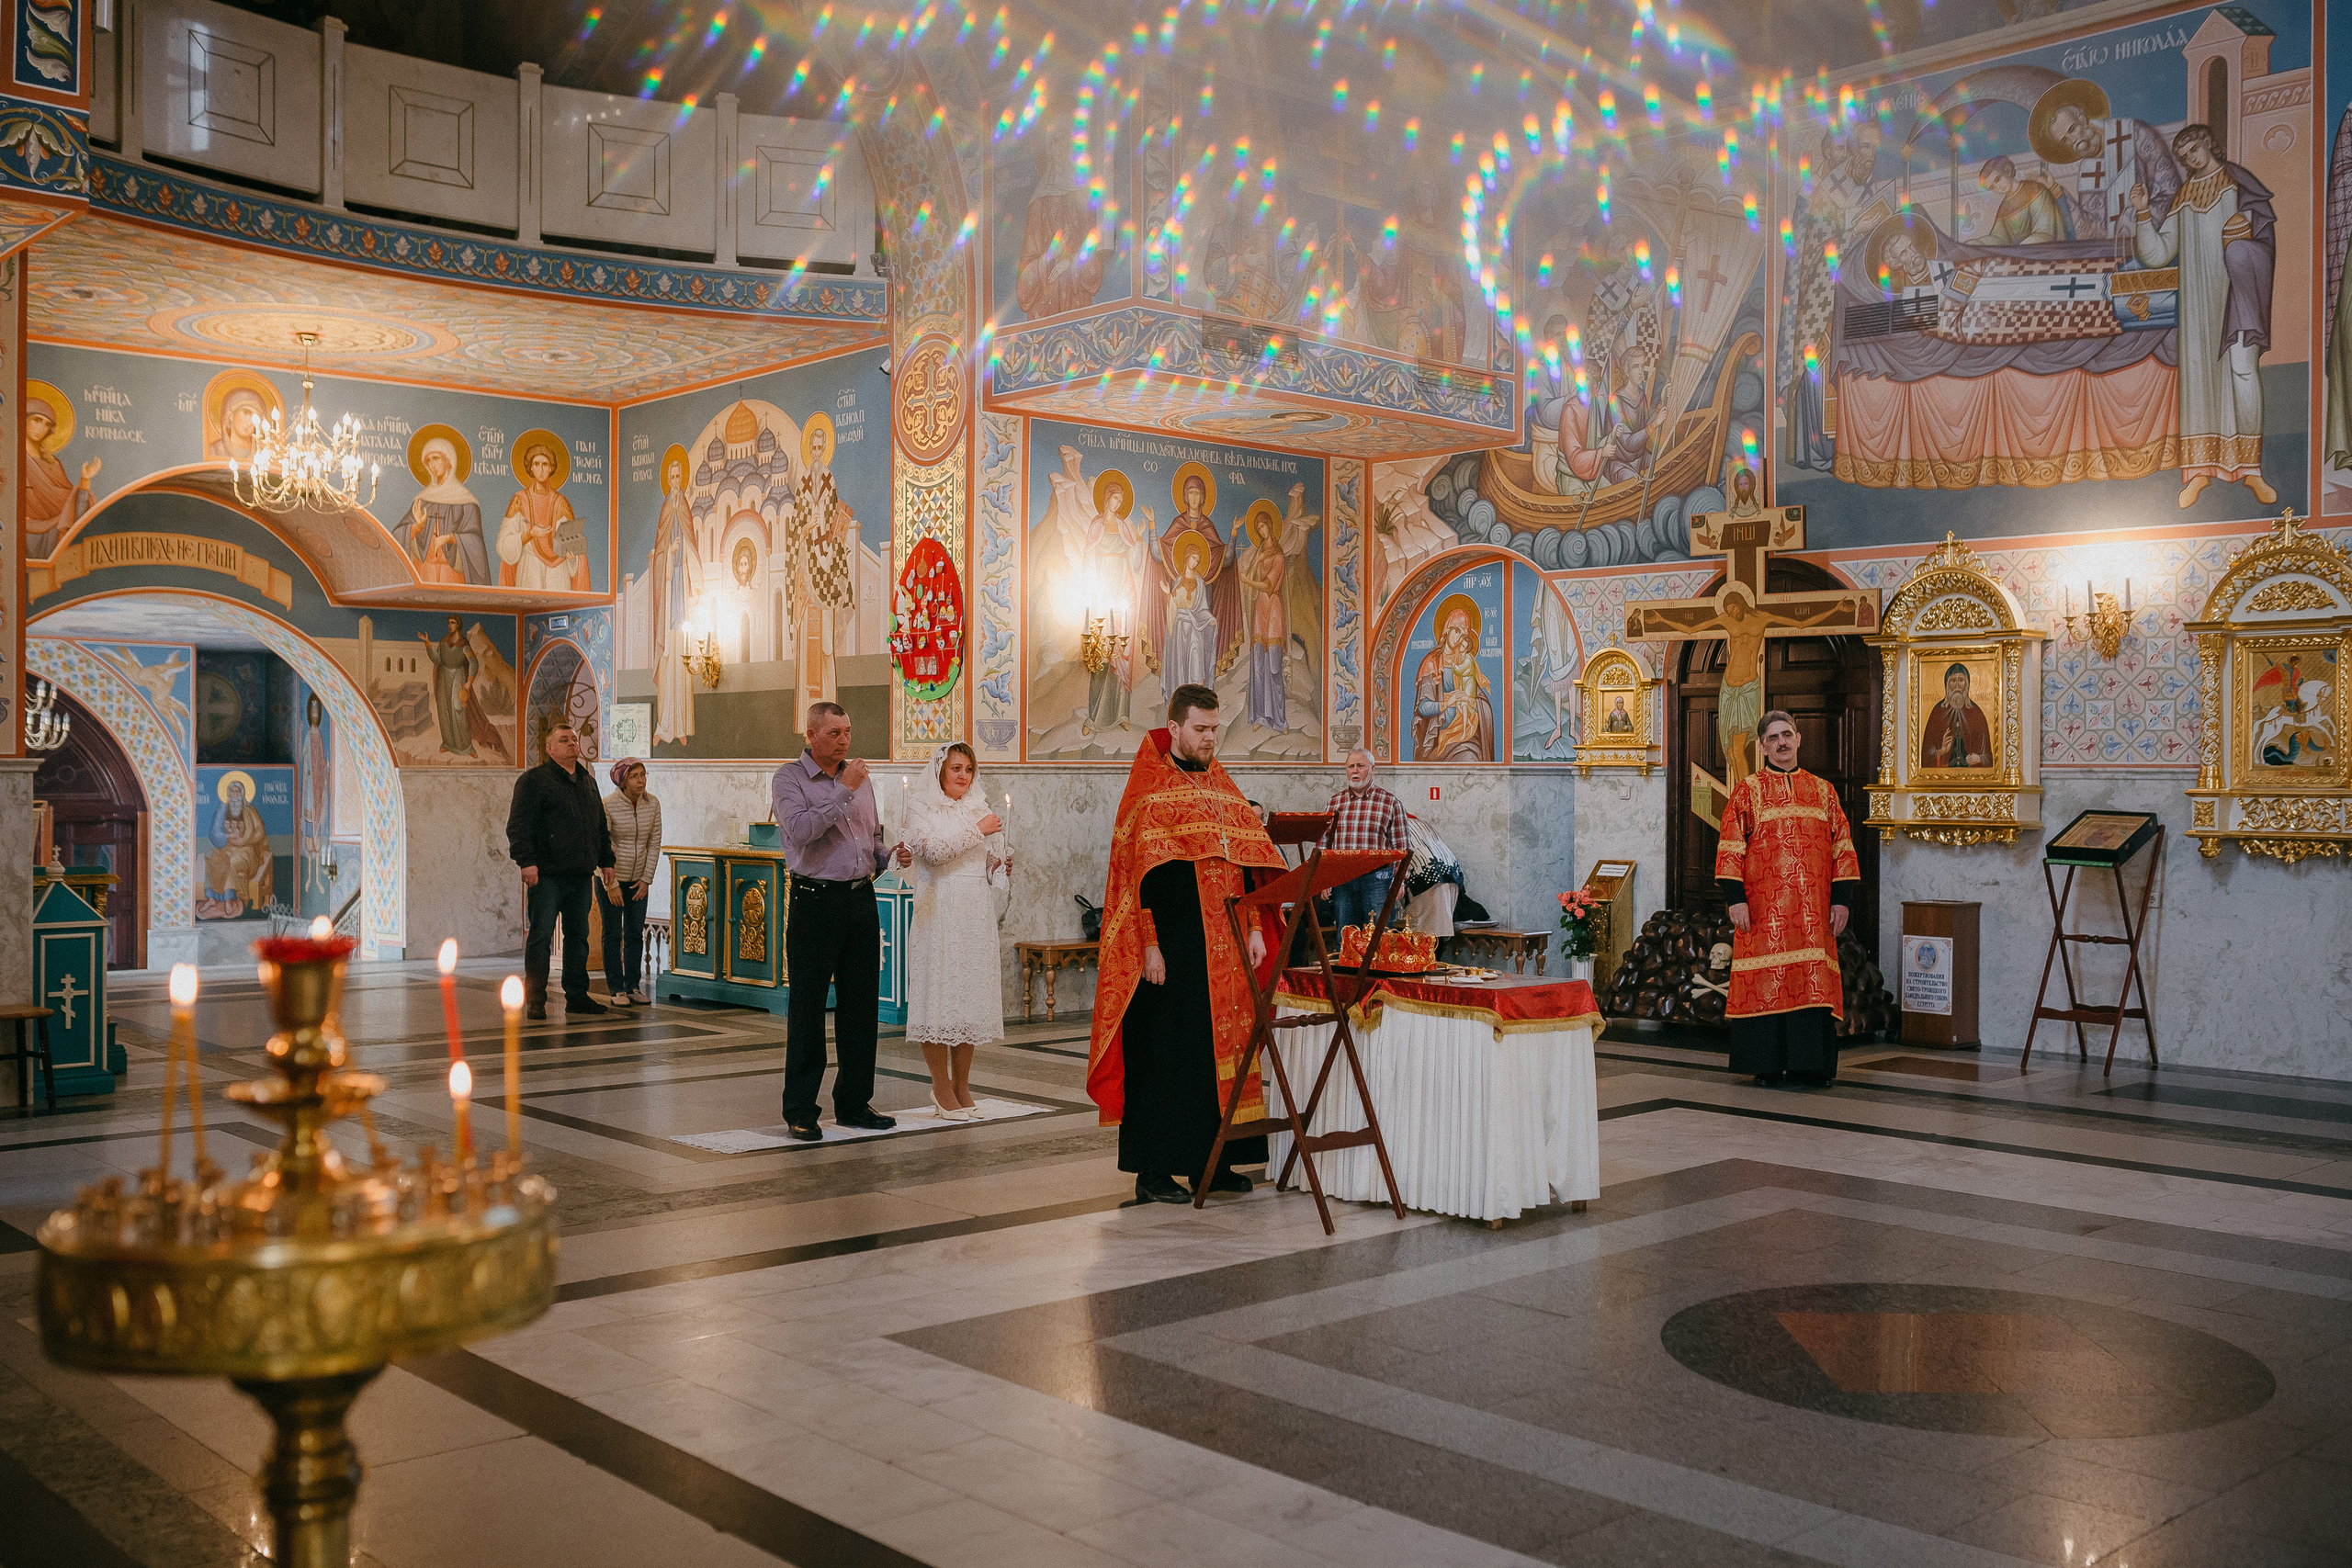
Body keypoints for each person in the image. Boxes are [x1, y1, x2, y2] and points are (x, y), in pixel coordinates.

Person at [1089, 684, 1286, 1204]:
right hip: (1169, 950)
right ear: (1174, 728)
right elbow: (1139, 879)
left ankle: (1212, 1163)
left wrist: (1255, 931)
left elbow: (1243, 865)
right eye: (1200, 729)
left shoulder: (1221, 784)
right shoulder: (1150, 789)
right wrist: (1148, 947)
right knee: (1163, 1055)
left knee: (1212, 1054)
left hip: (1222, 950)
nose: (1209, 739)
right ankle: (1152, 1171)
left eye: (1215, 729)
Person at [2131, 122, 2279, 509]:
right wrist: (2143, 213)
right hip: (2197, 307)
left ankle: (2252, 471)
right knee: (2198, 383)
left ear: (2208, 144)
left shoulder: (2237, 182)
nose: (2190, 159)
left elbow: (2262, 232)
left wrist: (2246, 228)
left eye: (2194, 149)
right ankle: (2199, 472)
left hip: (2237, 297)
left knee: (2243, 373)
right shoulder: (2185, 196)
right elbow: (2159, 253)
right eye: (2183, 157)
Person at [1716, 711, 1861, 1089]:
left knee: (1811, 984)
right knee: (1766, 984)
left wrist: (1841, 899)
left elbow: (1842, 847)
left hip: (1814, 915)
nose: (1781, 743)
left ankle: (1809, 1067)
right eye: (1773, 738)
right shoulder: (1748, 790)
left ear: (1799, 739)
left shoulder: (1824, 791)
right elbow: (1731, 847)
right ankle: (1766, 1065)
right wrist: (1736, 899)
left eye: (1787, 735)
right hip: (1764, 912)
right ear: (1763, 746)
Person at [772, 702, 896, 1140]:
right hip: (814, 901)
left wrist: (891, 855)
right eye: (835, 733)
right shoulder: (789, 779)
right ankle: (801, 1108)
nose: (845, 740)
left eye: (847, 731)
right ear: (811, 734)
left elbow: (871, 837)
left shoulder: (860, 779)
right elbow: (802, 831)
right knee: (808, 1008)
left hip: (861, 900)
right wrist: (843, 787)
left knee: (862, 1007)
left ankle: (855, 1102)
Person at [899, 743, 1009, 1120]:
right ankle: (940, 1085)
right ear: (940, 771)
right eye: (956, 768)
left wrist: (998, 866)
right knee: (939, 996)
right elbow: (932, 853)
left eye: (968, 769)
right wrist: (978, 831)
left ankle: (962, 1084)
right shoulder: (920, 808)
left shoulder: (979, 807)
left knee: (968, 999)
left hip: (973, 912)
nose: (964, 776)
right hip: (939, 910)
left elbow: (987, 865)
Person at [506, 724, 618, 1021]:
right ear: (550, 748)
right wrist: (526, 861)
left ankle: (577, 996)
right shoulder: (534, 781)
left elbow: (599, 826)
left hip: (580, 874)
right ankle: (535, 999)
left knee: (579, 936)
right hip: (546, 875)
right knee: (541, 936)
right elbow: (519, 825)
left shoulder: (587, 781)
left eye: (573, 739)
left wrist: (607, 861)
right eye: (563, 740)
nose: (571, 743)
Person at [1321, 748, 1408, 933]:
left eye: (1360, 766)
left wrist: (1400, 881)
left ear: (1373, 769)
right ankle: (1345, 964)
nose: (1354, 770)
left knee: (1379, 934)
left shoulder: (1390, 802)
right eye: (1350, 766)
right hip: (1343, 878)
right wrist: (1323, 879)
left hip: (1378, 878)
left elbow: (1402, 847)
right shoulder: (1334, 802)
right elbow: (1324, 843)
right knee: (1345, 936)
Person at [601, 758, 662, 1007]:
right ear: (623, 780)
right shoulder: (608, 805)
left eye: (643, 774)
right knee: (613, 934)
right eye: (635, 776)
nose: (641, 780)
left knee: (635, 933)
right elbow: (602, 844)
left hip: (639, 881)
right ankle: (616, 988)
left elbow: (654, 842)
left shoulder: (652, 803)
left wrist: (646, 879)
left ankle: (633, 986)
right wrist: (611, 884)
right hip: (613, 880)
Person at [1920, 663, 1992, 770]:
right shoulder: (1937, 713)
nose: (1957, 686)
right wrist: (1941, 751)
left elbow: (1990, 758)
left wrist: (1979, 758)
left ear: (1967, 684)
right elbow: (1924, 757)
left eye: (1961, 680)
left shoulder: (1977, 713)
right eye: (1953, 681)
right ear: (1947, 685)